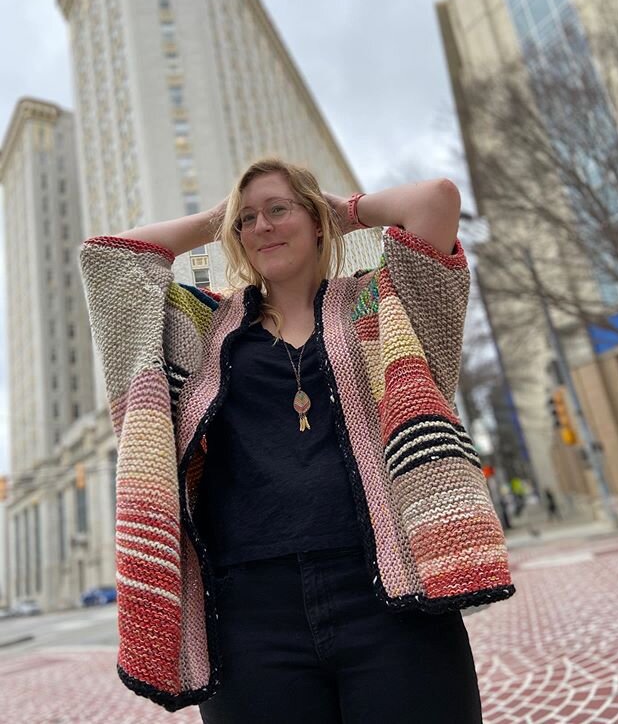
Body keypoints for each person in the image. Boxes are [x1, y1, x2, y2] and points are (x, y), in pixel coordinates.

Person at [79, 158, 514, 723]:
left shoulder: (379, 304)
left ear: (315, 220)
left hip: (390, 599)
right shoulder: (204, 324)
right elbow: (108, 259)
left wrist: (344, 213)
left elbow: (435, 199)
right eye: (248, 219)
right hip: (248, 618)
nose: (262, 226)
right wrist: (219, 218)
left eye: (279, 209)